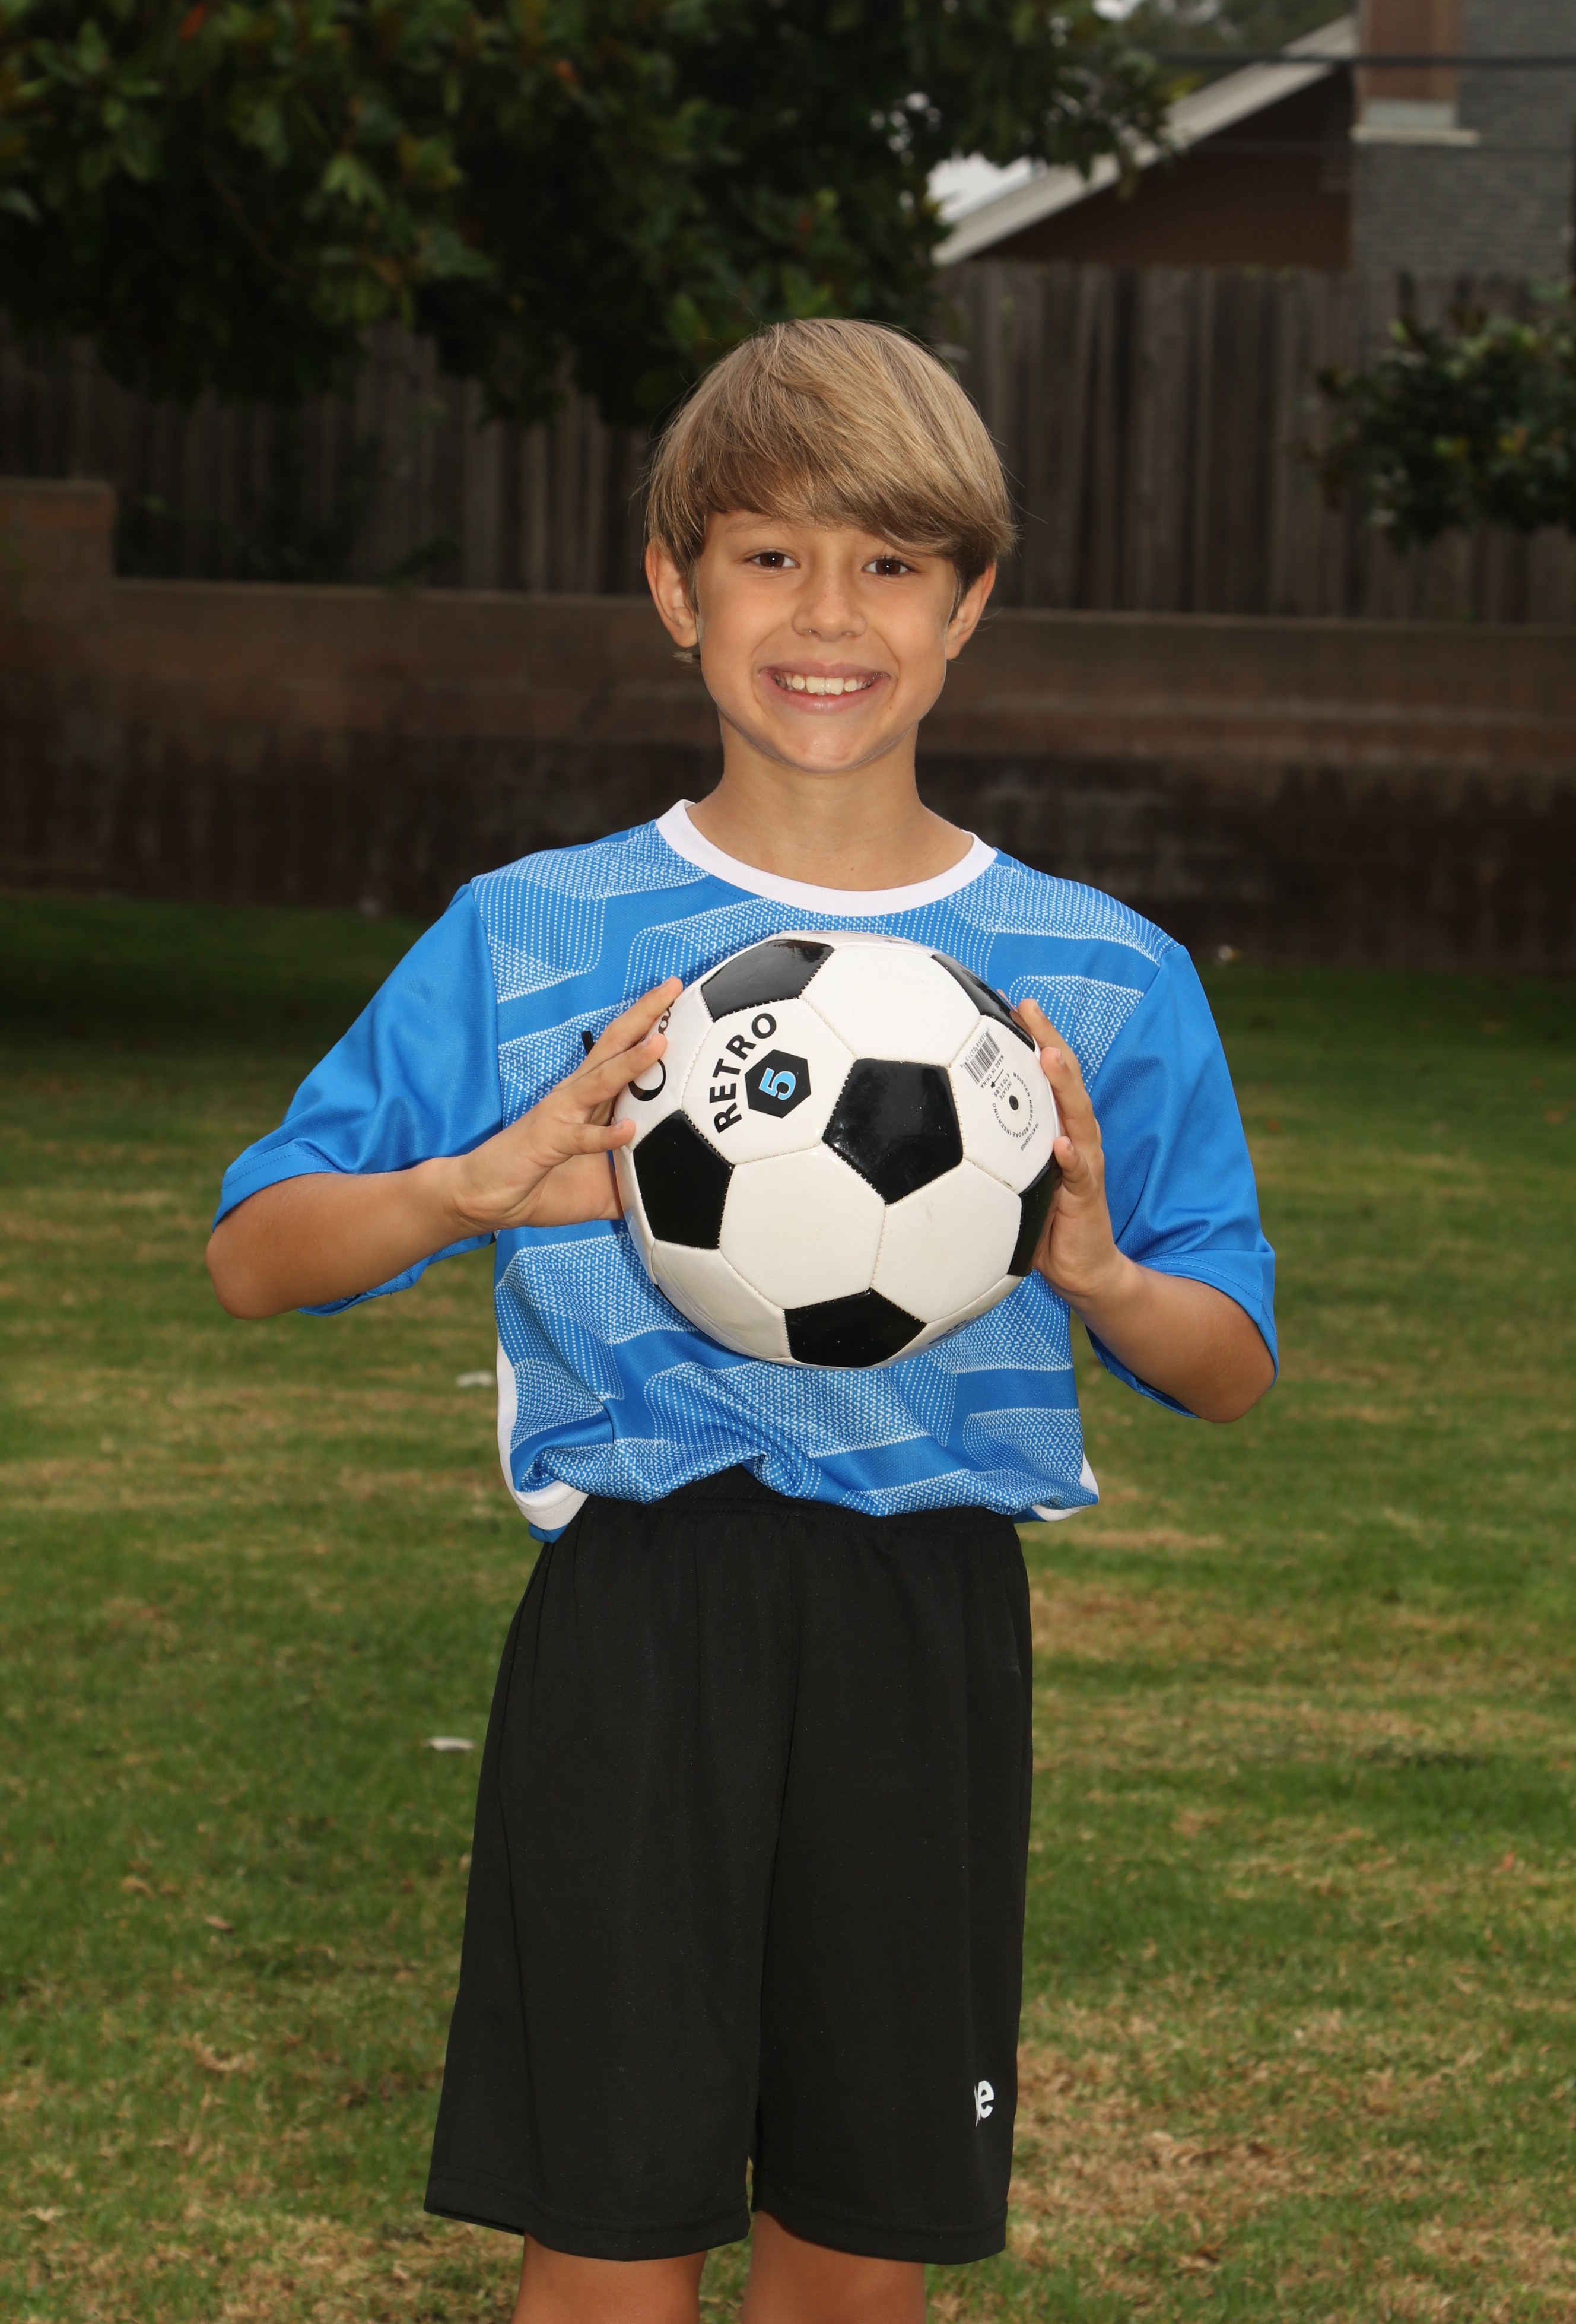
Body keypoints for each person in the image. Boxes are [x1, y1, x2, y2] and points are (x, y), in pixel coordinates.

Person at [207, 318, 1276, 2324]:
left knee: (861, 2258)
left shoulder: (1099, 971)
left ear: (969, 604)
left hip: (928, 1623)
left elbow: (1227, 1362)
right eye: (771, 555)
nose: (829, 616)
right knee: (610, 2244)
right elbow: (257, 1253)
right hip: (641, 1615)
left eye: (891, 564)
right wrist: (467, 1189)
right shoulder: (533, 933)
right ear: (675, 586)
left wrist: (1101, 1273)